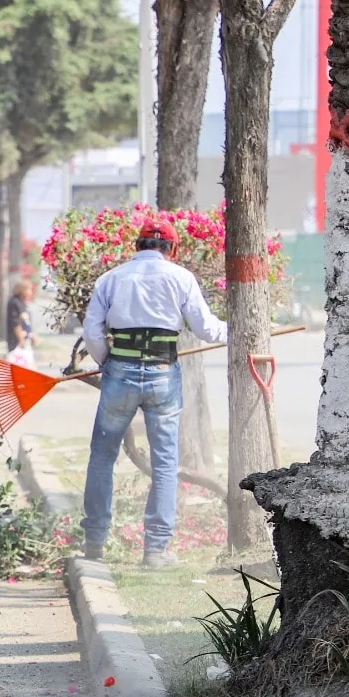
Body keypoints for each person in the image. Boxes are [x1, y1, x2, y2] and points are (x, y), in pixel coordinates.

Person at [79, 219, 225, 568]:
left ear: (136, 247)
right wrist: (244, 329)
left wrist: (105, 362)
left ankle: (95, 544)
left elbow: (92, 331)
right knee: (164, 462)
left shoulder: (110, 279)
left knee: (102, 456)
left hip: (119, 374)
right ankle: (156, 550)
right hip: (162, 373)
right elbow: (207, 329)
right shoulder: (181, 278)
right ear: (172, 250)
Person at [5, 279, 35, 351]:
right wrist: (20, 339)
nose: (30, 292)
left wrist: (31, 334)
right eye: (29, 289)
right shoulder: (14, 302)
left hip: (25, 339)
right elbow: (15, 322)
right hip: (16, 340)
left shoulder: (21, 302)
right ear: (22, 290)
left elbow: (26, 321)